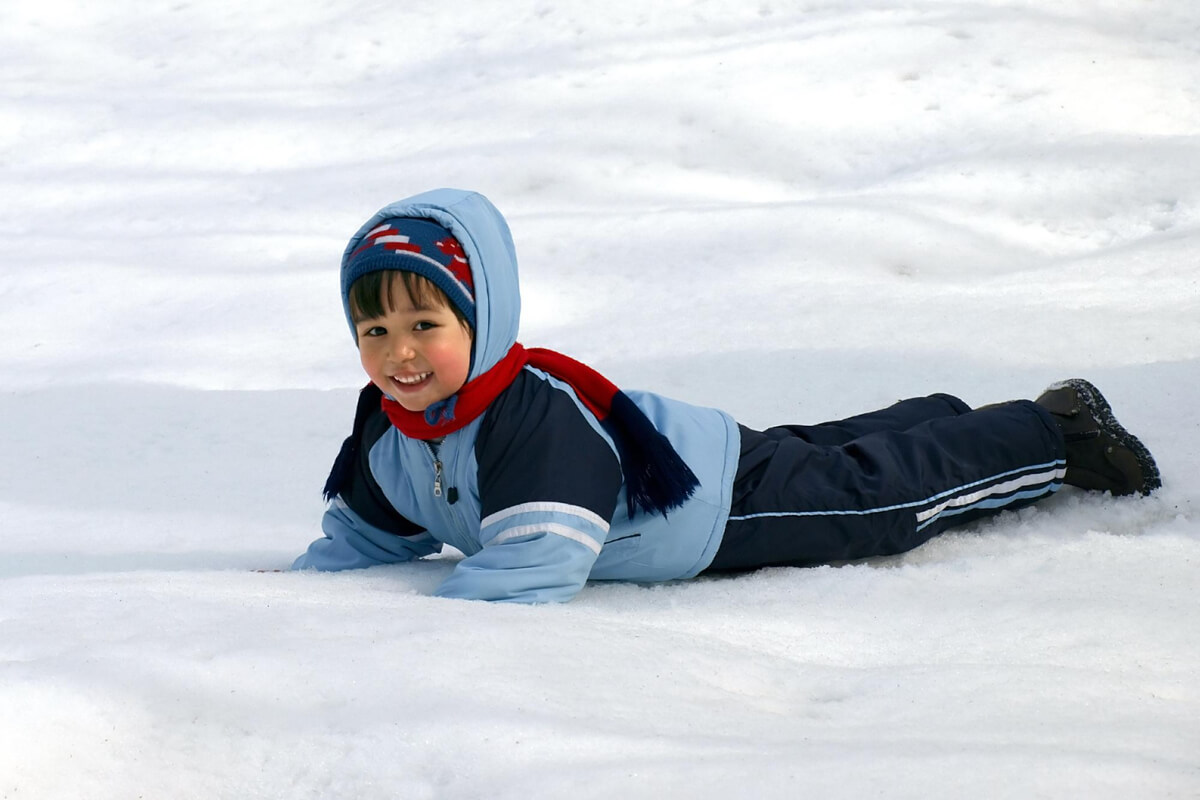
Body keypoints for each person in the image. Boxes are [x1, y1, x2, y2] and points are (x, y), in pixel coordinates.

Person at [291, 188, 1161, 602]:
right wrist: (303, 589)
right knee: (824, 454)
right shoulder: (393, 423)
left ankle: (1055, 433)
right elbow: (372, 524)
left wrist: (433, 619)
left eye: (425, 326)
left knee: (873, 497)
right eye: (375, 333)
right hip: (700, 451)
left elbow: (538, 562)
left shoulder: (527, 413)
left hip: (702, 514)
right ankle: (935, 416)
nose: (401, 355)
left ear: (484, 316)